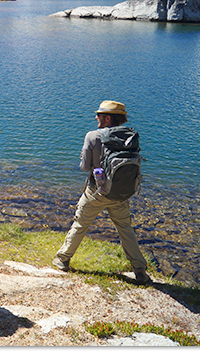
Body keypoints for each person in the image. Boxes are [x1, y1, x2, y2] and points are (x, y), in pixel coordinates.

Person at [53, 100, 151, 285]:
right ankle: (140, 271)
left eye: (99, 114)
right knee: (126, 230)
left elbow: (84, 167)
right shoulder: (130, 135)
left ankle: (62, 260)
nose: (96, 117)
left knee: (80, 224)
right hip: (121, 193)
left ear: (107, 117)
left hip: (96, 192)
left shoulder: (93, 136)